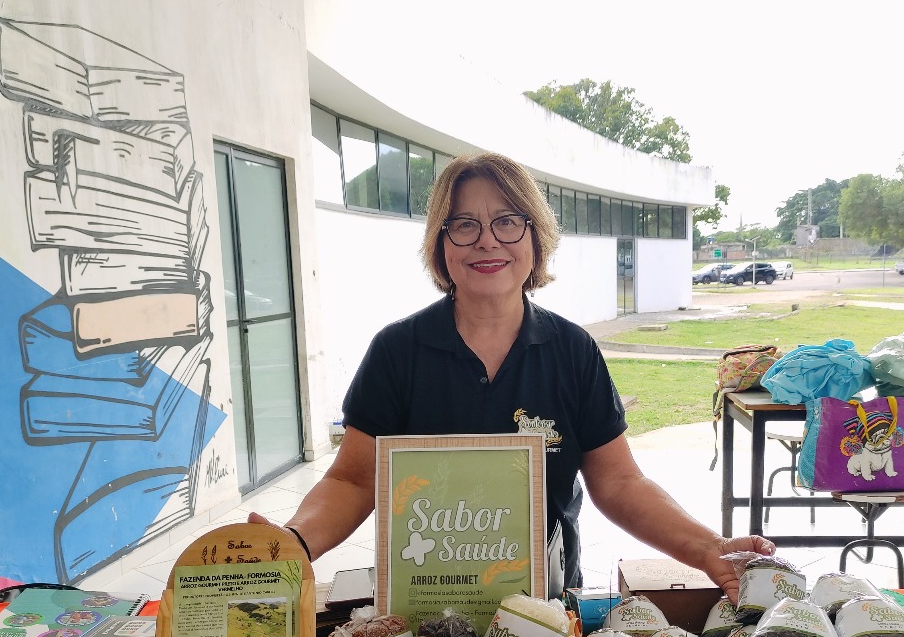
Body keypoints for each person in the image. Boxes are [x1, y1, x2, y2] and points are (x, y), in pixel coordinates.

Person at [251, 151, 773, 601]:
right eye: (464, 224)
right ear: (441, 243)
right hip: (425, 601)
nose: (487, 241)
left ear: (534, 236)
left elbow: (619, 482)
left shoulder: (573, 351)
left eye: (507, 221)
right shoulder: (398, 351)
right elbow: (354, 478)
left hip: (545, 603)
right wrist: (294, 543)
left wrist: (707, 547)